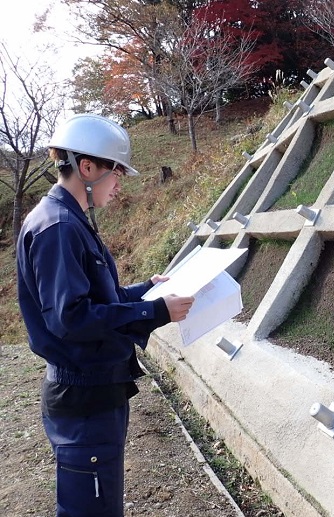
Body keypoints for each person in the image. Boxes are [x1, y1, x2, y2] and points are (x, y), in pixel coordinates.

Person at [16, 113, 194, 517]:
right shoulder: (58, 227)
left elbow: (99, 298)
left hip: (94, 391)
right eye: (117, 172)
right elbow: (72, 318)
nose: (119, 184)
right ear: (87, 167)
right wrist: (155, 311)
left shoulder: (67, 220)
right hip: (85, 398)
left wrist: (146, 290)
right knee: (90, 509)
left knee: (99, 502)